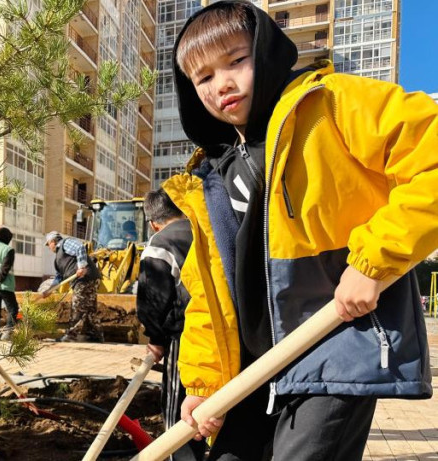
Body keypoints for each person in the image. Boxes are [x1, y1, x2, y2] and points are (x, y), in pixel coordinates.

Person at [168, 2, 436, 460]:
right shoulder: (212, 176)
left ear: (267, 51)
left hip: (335, 341)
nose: (222, 84)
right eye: (203, 77)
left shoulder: (328, 105)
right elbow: (210, 297)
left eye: (236, 60)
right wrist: (203, 384)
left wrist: (373, 261)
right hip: (253, 370)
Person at [137, 190, 203, 461]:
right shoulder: (203, 231)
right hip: (223, 332)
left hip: (186, 338)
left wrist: (156, 338)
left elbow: (154, 297)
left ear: (153, 222)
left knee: (180, 416)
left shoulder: (160, 243)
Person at [41, 231, 103, 343]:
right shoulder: (57, 260)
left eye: (48, 244)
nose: (49, 247)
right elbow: (59, 277)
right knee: (89, 309)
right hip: (85, 280)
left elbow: (80, 247)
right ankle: (96, 336)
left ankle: (72, 335)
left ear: (53, 242)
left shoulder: (65, 243)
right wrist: (50, 290)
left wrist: (81, 266)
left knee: (78, 305)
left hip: (84, 278)